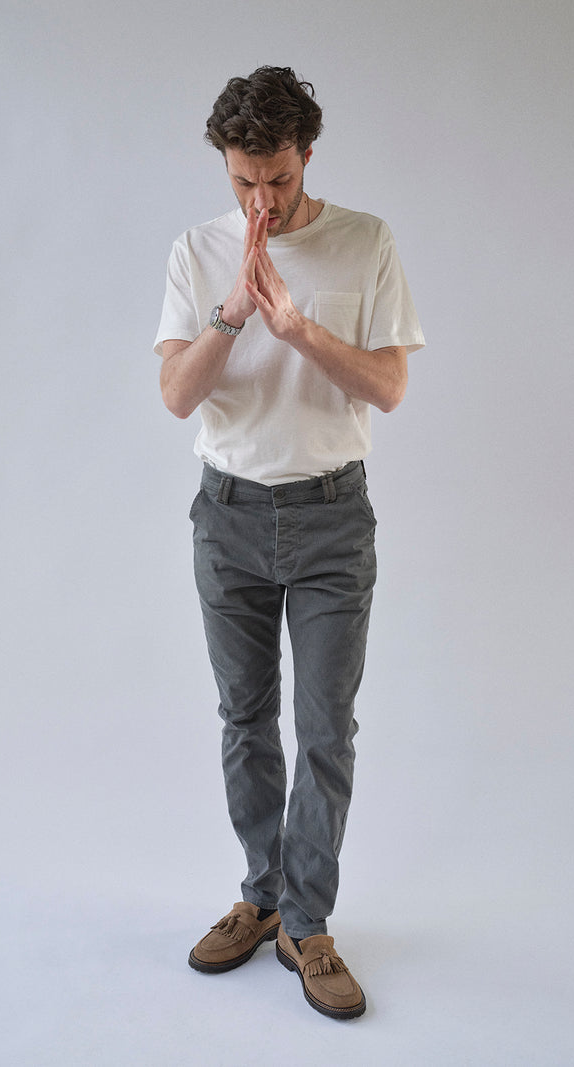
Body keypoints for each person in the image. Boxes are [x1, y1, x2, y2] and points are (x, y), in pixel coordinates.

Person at [154, 66, 425, 1020]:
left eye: (276, 178)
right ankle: (262, 895)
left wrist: (297, 326)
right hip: (226, 514)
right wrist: (234, 309)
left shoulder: (366, 241)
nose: (261, 201)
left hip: (329, 517)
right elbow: (179, 395)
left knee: (325, 729)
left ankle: (309, 922)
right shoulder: (197, 249)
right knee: (243, 718)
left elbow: (388, 388)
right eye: (242, 182)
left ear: (307, 153)